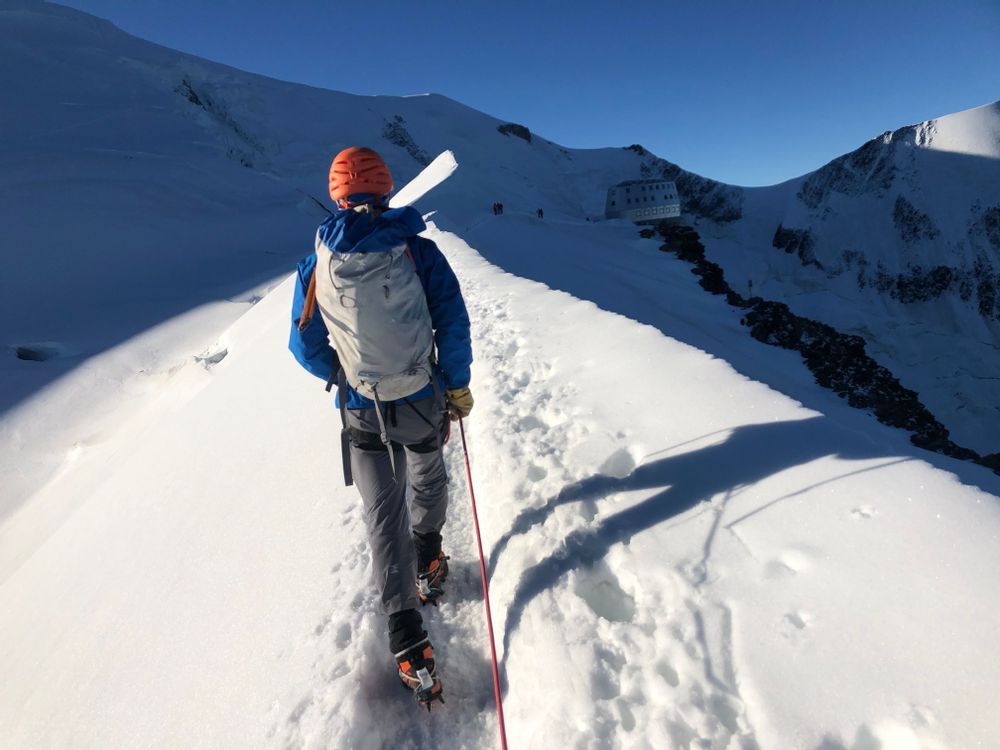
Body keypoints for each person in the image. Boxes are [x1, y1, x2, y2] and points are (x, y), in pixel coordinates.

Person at [288, 146, 473, 707]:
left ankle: (405, 633)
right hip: (419, 395)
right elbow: (452, 321)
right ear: (387, 191)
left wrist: (343, 376)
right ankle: (430, 556)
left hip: (359, 407)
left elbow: (303, 345)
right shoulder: (418, 253)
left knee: (379, 511)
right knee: (426, 472)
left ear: (337, 195)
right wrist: (456, 384)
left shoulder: (316, 265)